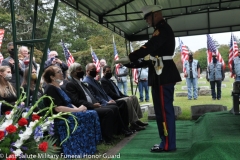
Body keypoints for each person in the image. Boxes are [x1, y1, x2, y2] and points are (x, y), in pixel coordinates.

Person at [115, 5, 182, 152]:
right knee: (160, 111)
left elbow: (151, 47)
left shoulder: (163, 29)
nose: (146, 21)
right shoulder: (159, 29)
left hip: (163, 74)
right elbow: (154, 58)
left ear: (156, 15)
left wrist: (131, 56)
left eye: (147, 17)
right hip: (159, 73)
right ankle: (164, 140)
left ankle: (168, 144)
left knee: (165, 111)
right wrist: (133, 63)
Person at [43, 66, 101, 156]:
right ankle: (83, 148)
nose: (62, 73)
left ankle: (89, 146)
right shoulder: (50, 88)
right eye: (59, 72)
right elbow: (58, 108)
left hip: (69, 112)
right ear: (52, 77)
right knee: (91, 114)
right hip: (61, 117)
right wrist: (77, 110)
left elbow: (68, 102)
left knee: (91, 113)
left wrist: (79, 110)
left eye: (61, 71)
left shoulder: (59, 87)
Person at [61, 62, 122, 144]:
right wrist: (92, 105)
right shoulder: (71, 84)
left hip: (94, 104)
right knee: (108, 111)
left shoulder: (81, 83)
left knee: (114, 107)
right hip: (85, 108)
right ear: (73, 72)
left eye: (81, 69)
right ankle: (106, 138)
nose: (81, 71)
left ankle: (114, 132)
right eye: (79, 70)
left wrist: (102, 102)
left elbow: (93, 95)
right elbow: (76, 101)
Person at [82, 63, 133, 135]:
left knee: (122, 103)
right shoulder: (86, 82)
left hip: (106, 100)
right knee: (115, 107)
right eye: (92, 70)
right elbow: (94, 96)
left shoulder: (95, 81)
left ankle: (125, 127)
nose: (95, 71)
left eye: (95, 69)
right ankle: (121, 129)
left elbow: (104, 93)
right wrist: (106, 102)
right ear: (87, 71)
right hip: (100, 103)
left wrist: (109, 99)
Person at [101, 65, 148, 131]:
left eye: (110, 71)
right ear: (103, 72)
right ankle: (133, 123)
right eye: (107, 71)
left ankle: (137, 120)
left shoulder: (110, 80)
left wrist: (126, 96)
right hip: (113, 99)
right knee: (128, 100)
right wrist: (124, 98)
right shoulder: (103, 81)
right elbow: (111, 94)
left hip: (118, 97)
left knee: (133, 97)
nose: (109, 73)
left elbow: (119, 92)